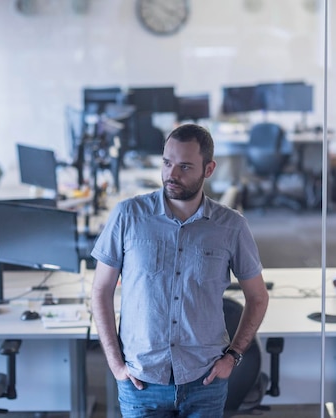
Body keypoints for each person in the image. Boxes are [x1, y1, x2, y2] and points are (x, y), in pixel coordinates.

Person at [91, 123, 269, 417]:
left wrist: (233, 356)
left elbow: (258, 297)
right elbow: (101, 290)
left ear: (208, 169)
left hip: (204, 381)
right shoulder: (128, 216)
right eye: (167, 163)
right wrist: (114, 363)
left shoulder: (231, 226)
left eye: (185, 166)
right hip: (141, 383)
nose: (171, 174)